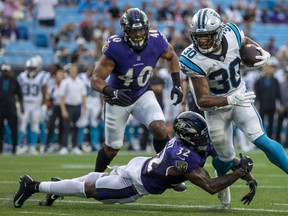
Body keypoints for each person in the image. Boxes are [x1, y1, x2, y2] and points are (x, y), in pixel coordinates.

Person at [13, 111, 257, 209]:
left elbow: (228, 159)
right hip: (135, 184)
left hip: (140, 166)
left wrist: (247, 175)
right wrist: (238, 174)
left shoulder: (190, 144)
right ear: (188, 137)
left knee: (92, 180)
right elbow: (211, 187)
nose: (205, 140)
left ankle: (58, 187)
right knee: (88, 188)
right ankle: (33, 185)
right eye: (200, 136)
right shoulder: (184, 154)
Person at [179, 8, 288, 207]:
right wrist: (229, 100)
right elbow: (202, 100)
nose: (202, 41)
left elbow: (245, 43)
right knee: (226, 156)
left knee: (261, 139)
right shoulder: (191, 58)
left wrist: (261, 51)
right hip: (215, 109)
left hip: (240, 94)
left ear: (219, 32)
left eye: (207, 36)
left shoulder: (232, 32)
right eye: (199, 37)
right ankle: (222, 180)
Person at [90, 8, 183, 172]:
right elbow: (95, 79)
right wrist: (112, 92)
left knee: (160, 129)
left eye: (141, 30)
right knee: (113, 147)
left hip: (142, 93)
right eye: (134, 31)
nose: (138, 34)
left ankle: (168, 174)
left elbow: (172, 56)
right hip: (118, 98)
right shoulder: (115, 47)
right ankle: (94, 176)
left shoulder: (156, 40)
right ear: (125, 32)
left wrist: (176, 83)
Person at [58, 63, 86, 155]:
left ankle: (75, 146)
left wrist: (84, 107)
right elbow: (62, 97)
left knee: (76, 127)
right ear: (69, 71)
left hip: (77, 106)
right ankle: (64, 146)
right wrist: (63, 109)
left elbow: (83, 96)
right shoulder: (65, 82)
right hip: (68, 106)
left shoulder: (80, 82)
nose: (73, 72)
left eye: (75, 70)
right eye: (72, 70)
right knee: (66, 127)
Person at [0, 63, 24, 155]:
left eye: (7, 71)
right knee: (0, 130)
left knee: (13, 129)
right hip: (1, 107)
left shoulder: (14, 80)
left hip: (11, 108)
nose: (6, 72)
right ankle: (0, 149)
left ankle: (14, 148)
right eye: (4, 71)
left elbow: (19, 94)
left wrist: (22, 107)